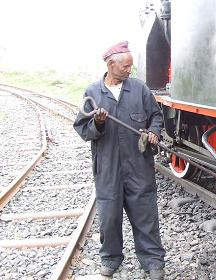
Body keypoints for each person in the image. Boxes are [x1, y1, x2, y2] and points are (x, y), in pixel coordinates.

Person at [73, 41, 165, 279]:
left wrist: (154, 131)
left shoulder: (140, 89)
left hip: (139, 164)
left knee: (145, 214)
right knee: (109, 217)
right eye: (125, 66)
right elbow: (83, 129)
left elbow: (156, 116)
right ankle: (111, 259)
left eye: (131, 67)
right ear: (110, 64)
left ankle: (153, 261)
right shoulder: (92, 92)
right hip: (108, 167)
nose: (129, 71)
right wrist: (99, 123)